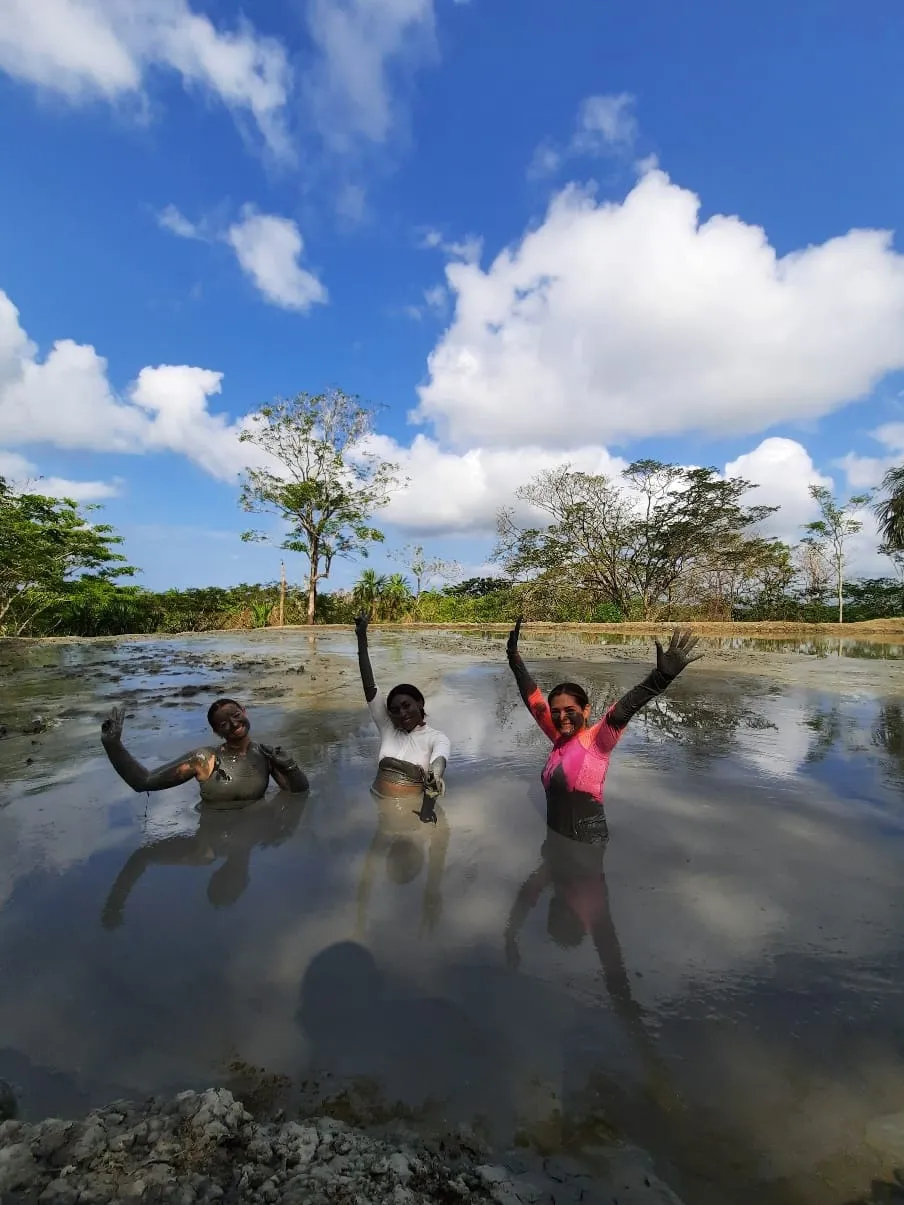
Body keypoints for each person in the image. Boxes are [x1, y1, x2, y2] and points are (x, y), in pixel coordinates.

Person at [506, 620, 702, 842]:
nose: (562, 718)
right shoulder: (559, 738)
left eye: (570, 710)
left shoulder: (597, 742)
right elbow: (535, 702)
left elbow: (622, 711)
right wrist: (515, 661)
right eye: (556, 712)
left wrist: (659, 680)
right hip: (554, 840)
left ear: (586, 710)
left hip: (588, 845)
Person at [101, 792, 308, 928]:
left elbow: (144, 856)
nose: (233, 877)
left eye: (227, 882)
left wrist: (116, 901)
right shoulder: (210, 851)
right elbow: (144, 856)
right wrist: (116, 901)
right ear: (245, 881)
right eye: (234, 883)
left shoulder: (209, 852)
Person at [100, 697, 309, 805]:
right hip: (213, 840)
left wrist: (290, 766)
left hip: (253, 831)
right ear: (217, 731)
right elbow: (143, 782)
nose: (234, 723)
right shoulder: (204, 759)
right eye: (224, 723)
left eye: (236, 715)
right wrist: (113, 745)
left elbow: (299, 793)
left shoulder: (266, 755)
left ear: (245, 712)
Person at [354, 614, 450, 822]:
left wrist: (435, 776)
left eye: (407, 706)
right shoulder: (388, 728)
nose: (402, 713)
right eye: (395, 710)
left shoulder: (436, 737)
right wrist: (362, 640)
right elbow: (369, 687)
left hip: (412, 815)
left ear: (420, 703)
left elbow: (440, 759)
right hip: (376, 806)